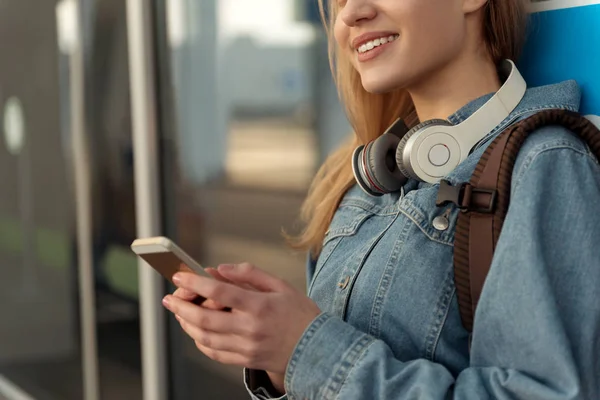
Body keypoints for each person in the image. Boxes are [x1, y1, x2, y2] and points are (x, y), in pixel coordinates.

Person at [161, 0, 600, 398]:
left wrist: (306, 349)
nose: (350, 14)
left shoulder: (543, 163)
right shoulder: (358, 184)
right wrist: (277, 356)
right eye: (338, 0)